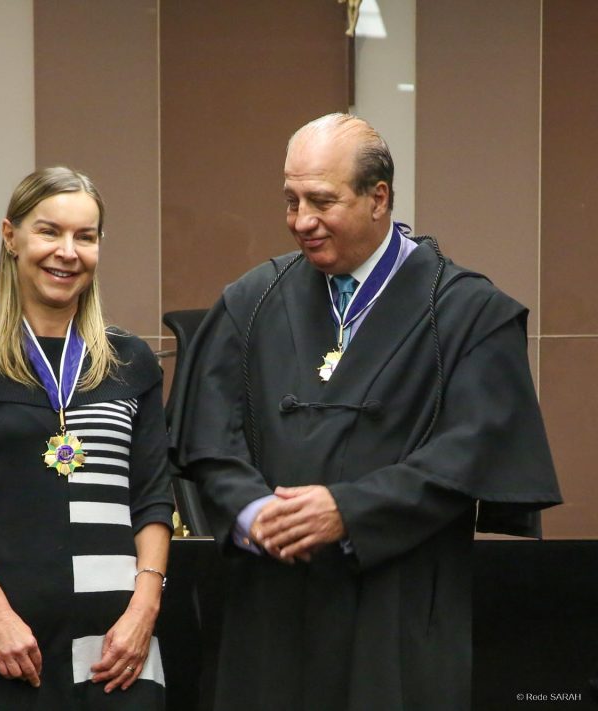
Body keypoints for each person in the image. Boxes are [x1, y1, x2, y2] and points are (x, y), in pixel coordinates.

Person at [170, 113, 562, 711]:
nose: (302, 220)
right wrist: (253, 512)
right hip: (270, 606)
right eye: (291, 200)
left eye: (322, 201)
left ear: (378, 198)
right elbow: (209, 437)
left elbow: (473, 452)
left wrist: (349, 511)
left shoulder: (468, 314)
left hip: (397, 606)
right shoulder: (252, 301)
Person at [0, 166, 174, 709]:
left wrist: (144, 611)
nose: (67, 252)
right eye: (49, 231)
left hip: (119, 646)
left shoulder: (132, 361)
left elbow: (154, 499)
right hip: (12, 640)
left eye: (85, 237)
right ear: (11, 236)